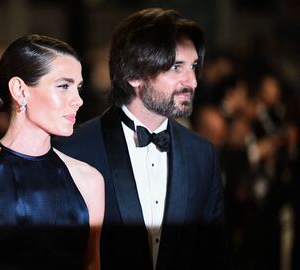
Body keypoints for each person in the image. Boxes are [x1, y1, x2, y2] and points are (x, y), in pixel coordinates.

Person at [54, 8, 230, 270]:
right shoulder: (73, 151)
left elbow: (213, 255)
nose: (192, 81)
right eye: (176, 67)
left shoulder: (202, 154)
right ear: (134, 76)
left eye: (194, 67)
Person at [0, 34, 104, 270]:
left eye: (78, 88)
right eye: (64, 86)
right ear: (20, 90)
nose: (78, 100)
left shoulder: (89, 180)